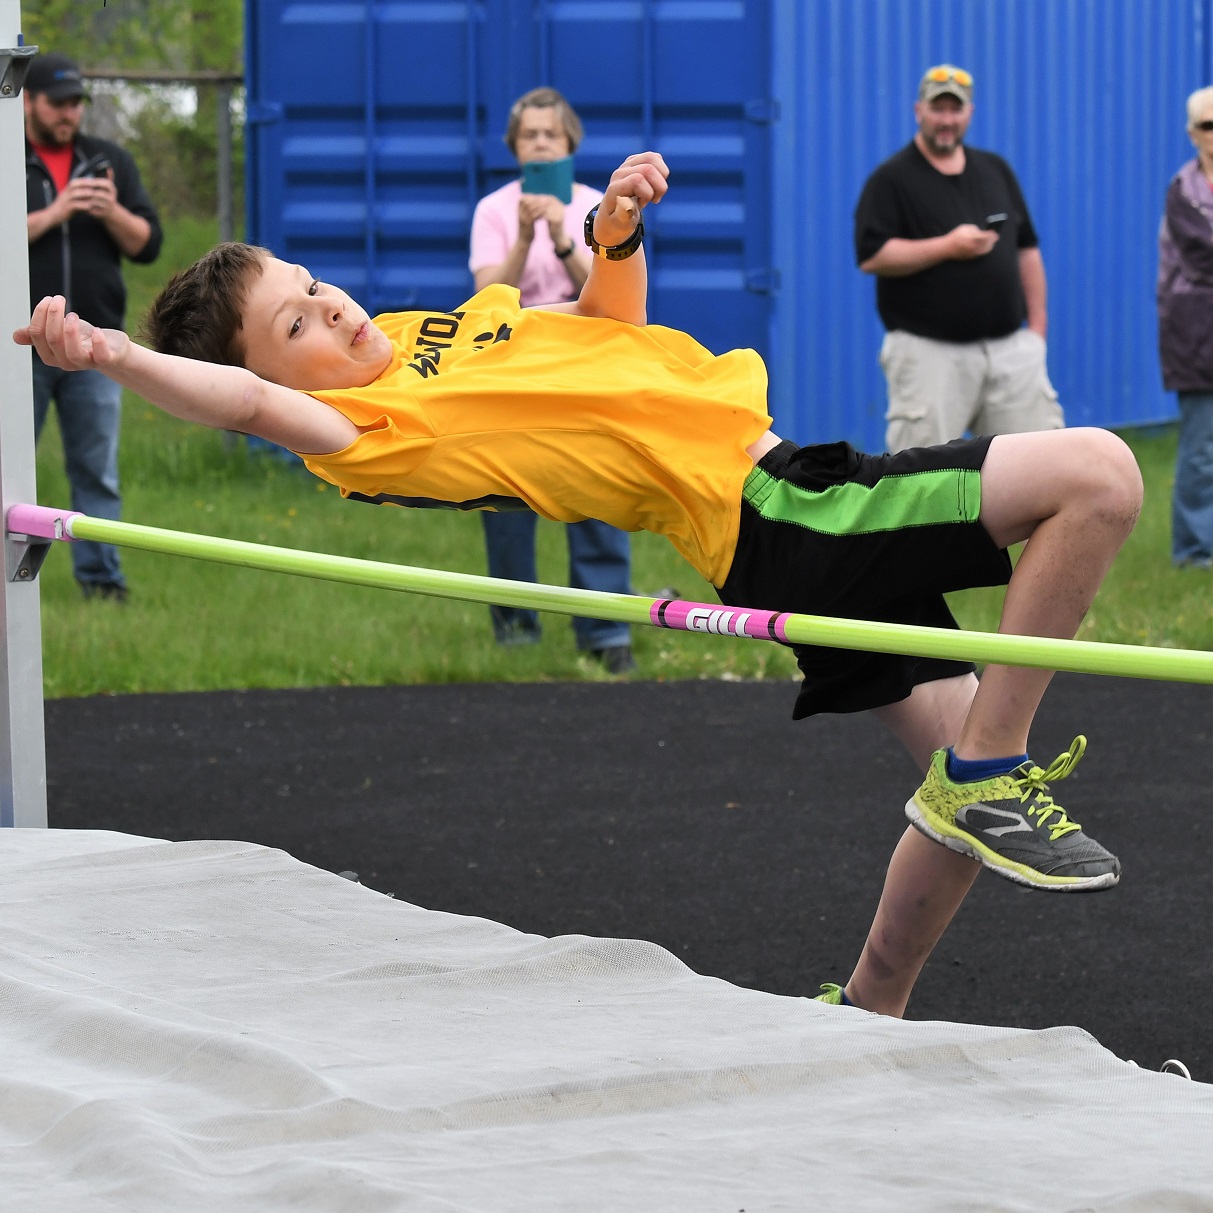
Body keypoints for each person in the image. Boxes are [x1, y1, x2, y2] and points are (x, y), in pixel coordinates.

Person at [16, 150, 1144, 1019]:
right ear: (262, 369)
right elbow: (250, 407)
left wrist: (615, 232)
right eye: (296, 324)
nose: (333, 309)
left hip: (773, 511)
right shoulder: (353, 431)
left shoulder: (424, 334)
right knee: (1099, 474)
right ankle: (993, 773)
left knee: (948, 759)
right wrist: (113, 356)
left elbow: (610, 336)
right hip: (783, 508)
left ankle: (870, 1007)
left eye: (314, 285)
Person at [469, 87, 635, 673]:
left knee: (597, 497)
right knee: (509, 500)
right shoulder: (493, 209)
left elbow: (606, 289)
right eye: (530, 135)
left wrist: (565, 236)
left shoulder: (598, 205)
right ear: (515, 146)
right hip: (514, 369)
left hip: (587, 367)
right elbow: (489, 297)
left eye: (551, 135)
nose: (540, 143)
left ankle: (606, 634)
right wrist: (521, 237)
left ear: (569, 143)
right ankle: (516, 633)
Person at [854, 64, 1064, 453]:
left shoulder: (995, 169)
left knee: (1039, 467)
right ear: (919, 111)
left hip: (1009, 353)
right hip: (929, 355)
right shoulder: (891, 179)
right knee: (921, 482)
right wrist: (948, 246)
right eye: (938, 110)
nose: (946, 121)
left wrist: (1037, 329)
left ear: (970, 113)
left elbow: (1027, 249)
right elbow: (872, 256)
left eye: (956, 110)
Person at [24, 51, 163, 601]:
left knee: (96, 473)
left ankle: (103, 584)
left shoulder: (108, 160)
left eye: (77, 103)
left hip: (93, 346)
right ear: (27, 100)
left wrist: (111, 212)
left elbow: (148, 245)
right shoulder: (10, 160)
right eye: (58, 103)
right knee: (9, 473)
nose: (69, 114)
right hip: (20, 346)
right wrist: (55, 213)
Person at [1158, 85, 1213, 570]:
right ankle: (1194, 553)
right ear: (1193, 134)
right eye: (1209, 125)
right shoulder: (1184, 193)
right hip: (1197, 338)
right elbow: (1204, 255)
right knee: (1201, 450)